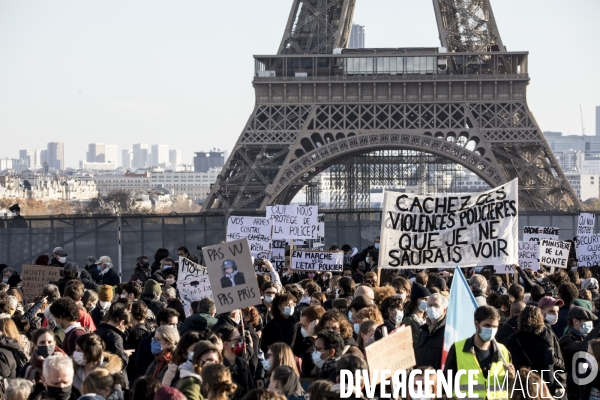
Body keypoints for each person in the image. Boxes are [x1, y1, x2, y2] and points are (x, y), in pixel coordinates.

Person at [444, 306, 513, 400]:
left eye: (495, 327)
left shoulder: (503, 350)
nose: (491, 330)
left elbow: (509, 386)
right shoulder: (458, 348)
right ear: (476, 324)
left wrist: (512, 377)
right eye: (487, 326)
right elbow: (447, 381)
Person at [502, 306, 566, 398]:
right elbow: (548, 374)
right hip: (536, 391)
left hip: (515, 390)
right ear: (540, 323)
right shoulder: (543, 346)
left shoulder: (508, 342)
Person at [559, 306, 600, 400]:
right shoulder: (566, 340)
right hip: (574, 389)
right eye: (586, 321)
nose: (590, 324)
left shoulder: (585, 338)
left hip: (587, 385)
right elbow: (581, 347)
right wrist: (597, 329)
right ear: (575, 321)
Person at [215, 324, 255, 398]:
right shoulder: (220, 367)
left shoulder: (243, 363)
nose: (241, 341)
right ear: (226, 344)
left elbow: (252, 388)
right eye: (238, 339)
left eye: (241, 338)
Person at [414, 293, 448, 369]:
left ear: (444, 310)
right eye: (429, 305)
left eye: (436, 305)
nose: (432, 308)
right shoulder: (423, 331)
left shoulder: (447, 332)